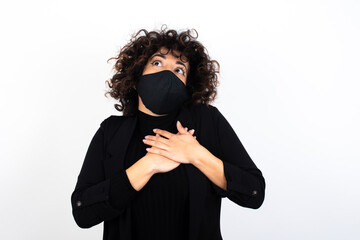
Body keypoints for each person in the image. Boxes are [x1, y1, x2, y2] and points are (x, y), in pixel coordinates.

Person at [70, 25, 266, 240]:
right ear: (136, 78)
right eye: (157, 63)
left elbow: (254, 193)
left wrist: (196, 155)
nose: (168, 73)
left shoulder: (207, 121)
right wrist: (148, 165)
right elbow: (83, 212)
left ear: (187, 85)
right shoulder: (111, 131)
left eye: (179, 69)